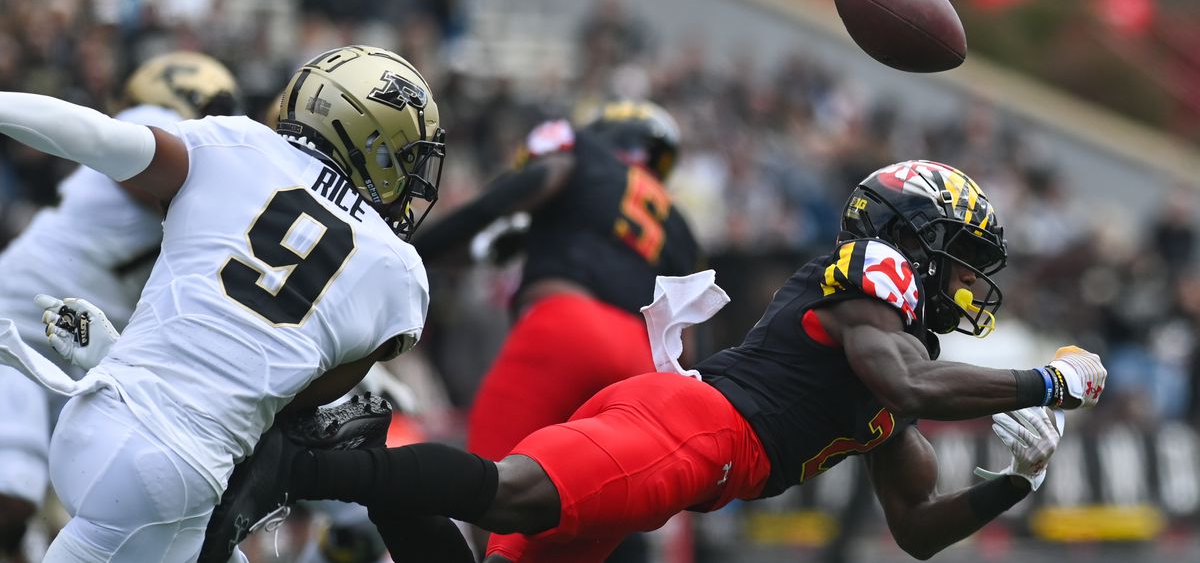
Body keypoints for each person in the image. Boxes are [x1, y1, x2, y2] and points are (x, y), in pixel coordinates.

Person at [205, 159, 1108, 562]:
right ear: (911, 241)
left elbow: (916, 529)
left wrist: (1014, 484)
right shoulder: (874, 278)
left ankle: (361, 457)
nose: (966, 284)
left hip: (693, 446)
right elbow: (906, 383)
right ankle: (300, 466)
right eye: (959, 260)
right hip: (698, 430)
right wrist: (1048, 382)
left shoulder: (898, 360)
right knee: (513, 491)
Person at [0, 44, 445, 562]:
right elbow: (292, 400)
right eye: (403, 159)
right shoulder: (398, 271)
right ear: (368, 143)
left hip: (104, 409)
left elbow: (97, 136)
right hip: (171, 470)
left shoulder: (239, 144)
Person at [412, 99, 699, 560]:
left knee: (492, 487)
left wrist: (413, 249)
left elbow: (516, 192)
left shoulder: (582, 152)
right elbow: (687, 343)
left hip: (566, 326)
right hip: (642, 364)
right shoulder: (679, 226)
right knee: (598, 511)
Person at [0, 50, 241, 561]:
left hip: (89, 346)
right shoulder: (156, 129)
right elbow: (149, 179)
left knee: (105, 505)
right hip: (22, 319)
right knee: (12, 492)